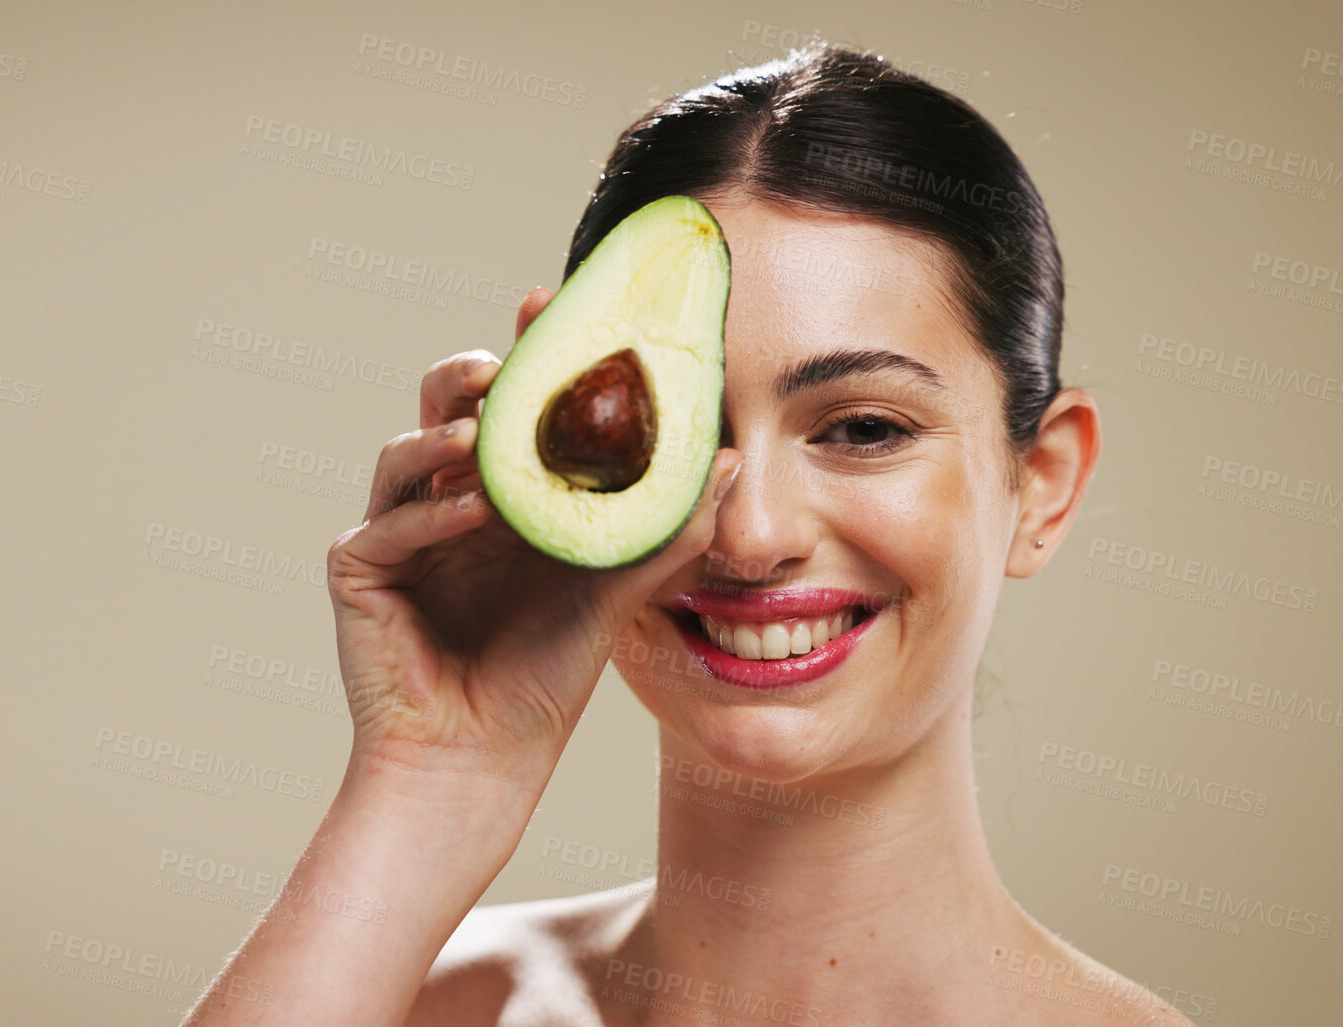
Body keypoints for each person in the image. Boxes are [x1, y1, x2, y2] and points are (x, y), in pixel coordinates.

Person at [183, 41, 1191, 1026]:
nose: (750, 535)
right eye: (680, 430)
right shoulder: (416, 1002)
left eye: (863, 430)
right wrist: (430, 781)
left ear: (1044, 483)